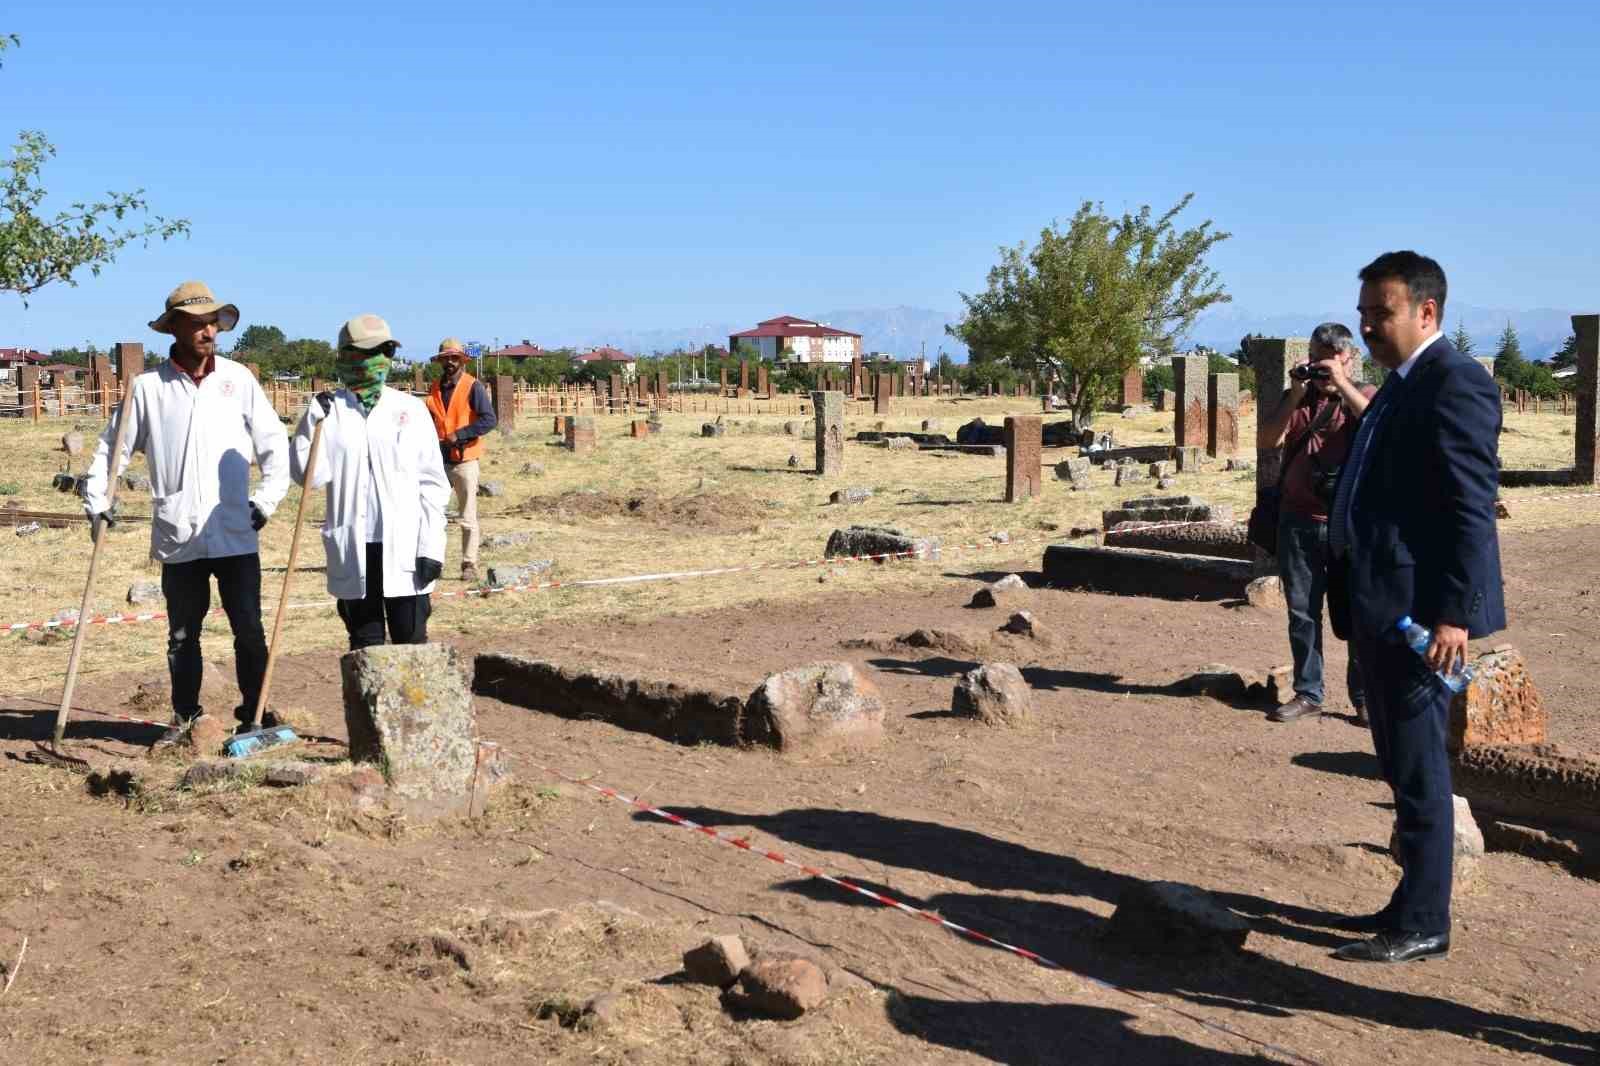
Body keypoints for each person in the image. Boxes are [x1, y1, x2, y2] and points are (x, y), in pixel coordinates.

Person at [1327, 251, 1504, 964]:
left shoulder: (1454, 383)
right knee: (1400, 762)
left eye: (1383, 312)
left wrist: (1452, 617)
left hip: (1420, 615)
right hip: (1378, 602)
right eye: (1364, 311)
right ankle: (1411, 897)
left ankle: (1427, 921)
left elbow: (1469, 510)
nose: (1368, 325)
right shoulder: (1401, 385)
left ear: (1426, 312)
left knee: (1421, 762)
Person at [81, 281, 289, 742]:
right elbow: (110, 453)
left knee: (250, 631)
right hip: (179, 532)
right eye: (196, 323)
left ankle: (255, 714)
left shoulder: (238, 380)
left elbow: (275, 445)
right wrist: (99, 500)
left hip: (235, 528)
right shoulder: (148, 389)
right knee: (181, 635)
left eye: (213, 322)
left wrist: (267, 499)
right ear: (173, 328)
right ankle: (186, 717)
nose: (207, 331)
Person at [291, 315, 449, 650]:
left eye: (385, 351)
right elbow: (310, 478)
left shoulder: (410, 409)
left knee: (412, 644)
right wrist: (310, 425)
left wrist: (432, 546)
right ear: (347, 356)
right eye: (368, 352)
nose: (378, 360)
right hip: (355, 546)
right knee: (365, 646)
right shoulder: (329, 411)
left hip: (407, 547)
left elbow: (433, 485)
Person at [1256, 323, 1376, 725]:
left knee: (1358, 613)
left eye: (1327, 358)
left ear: (1347, 357)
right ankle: (1309, 693)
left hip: (1350, 525)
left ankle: (1364, 697)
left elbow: (1379, 429)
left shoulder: (1366, 396)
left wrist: (1342, 384)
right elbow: (1266, 440)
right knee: (1302, 612)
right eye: (1314, 357)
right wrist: (1293, 393)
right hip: (1298, 520)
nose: (1318, 367)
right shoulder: (1300, 400)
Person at [423, 338, 496, 582]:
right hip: (438, 462)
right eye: (446, 359)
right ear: (441, 361)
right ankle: (433, 563)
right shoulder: (433, 389)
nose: (450, 362)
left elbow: (489, 420)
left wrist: (461, 434)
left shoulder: (472, 386)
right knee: (433, 516)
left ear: (462, 361)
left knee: (467, 516)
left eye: (454, 358)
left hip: (465, 461)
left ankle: (469, 564)